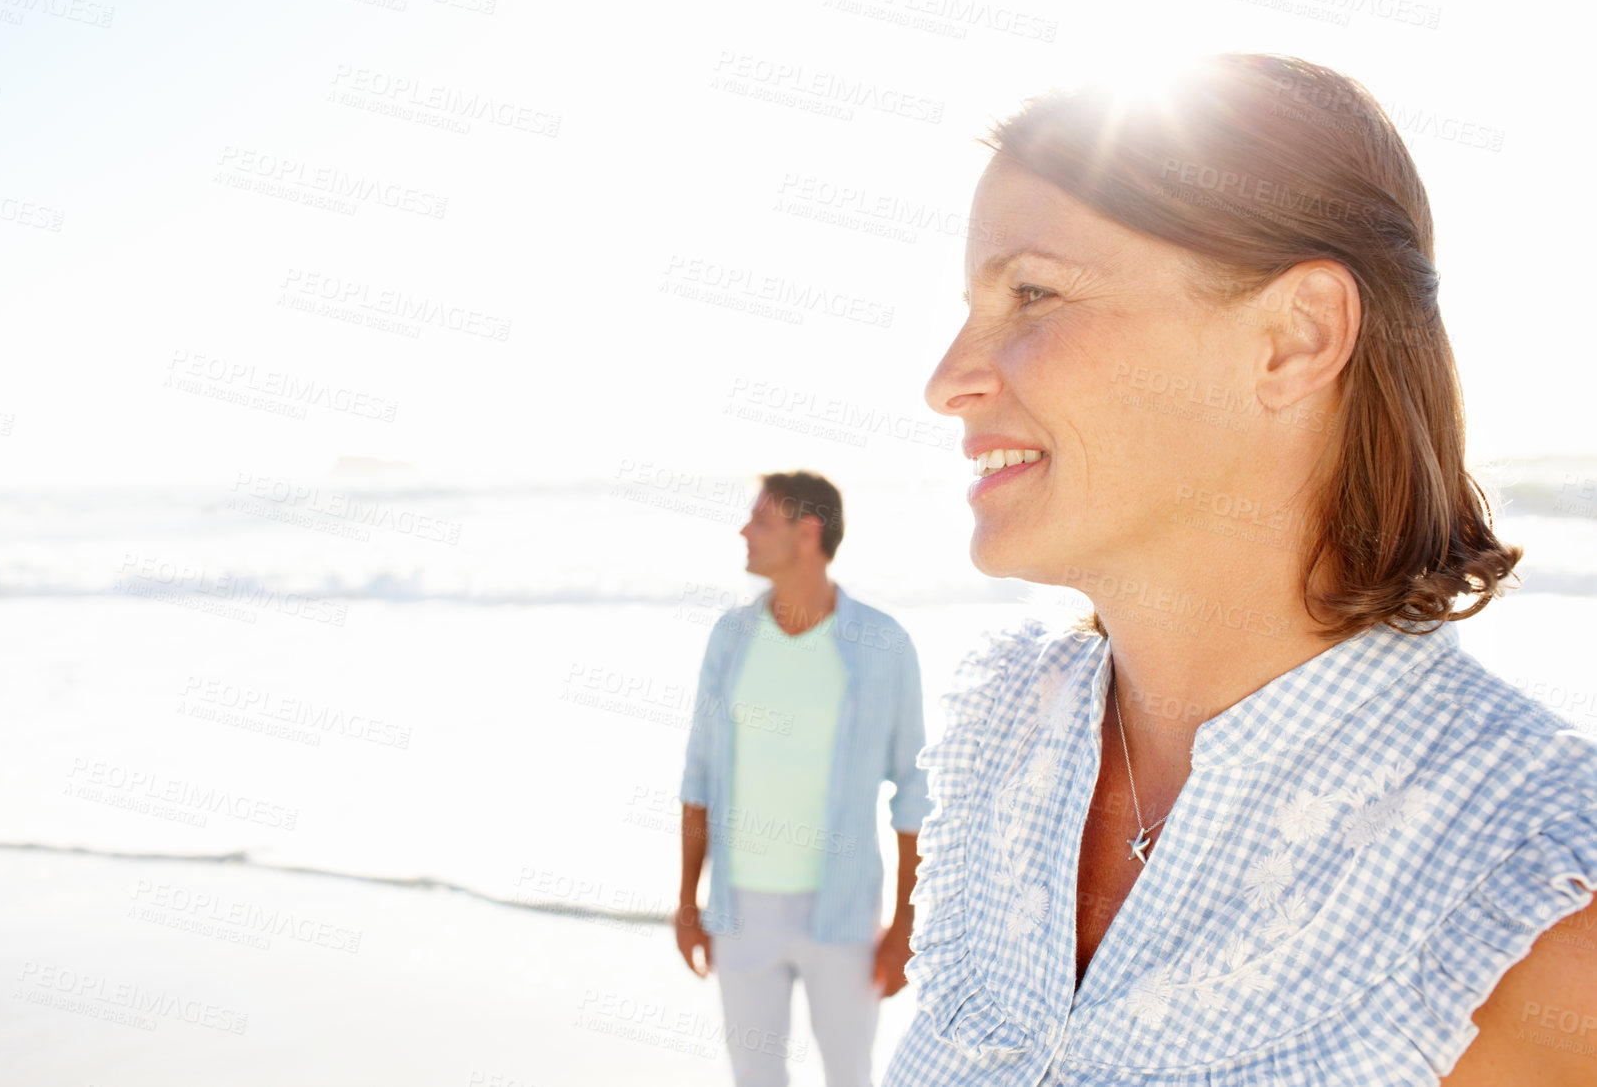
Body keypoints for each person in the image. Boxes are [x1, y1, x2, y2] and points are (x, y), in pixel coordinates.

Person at [882, 53, 1597, 1086]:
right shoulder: (1009, 736)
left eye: (1031, 292)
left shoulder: (1529, 899)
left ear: (1293, 338)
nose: (947, 378)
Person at [675, 470, 933, 1087]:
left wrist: (904, 926)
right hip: (740, 911)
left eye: (762, 520)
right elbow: (699, 776)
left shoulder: (882, 644)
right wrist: (688, 901)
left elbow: (915, 794)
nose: (745, 531)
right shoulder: (731, 638)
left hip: (843, 914)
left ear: (808, 532)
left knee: (850, 1076)